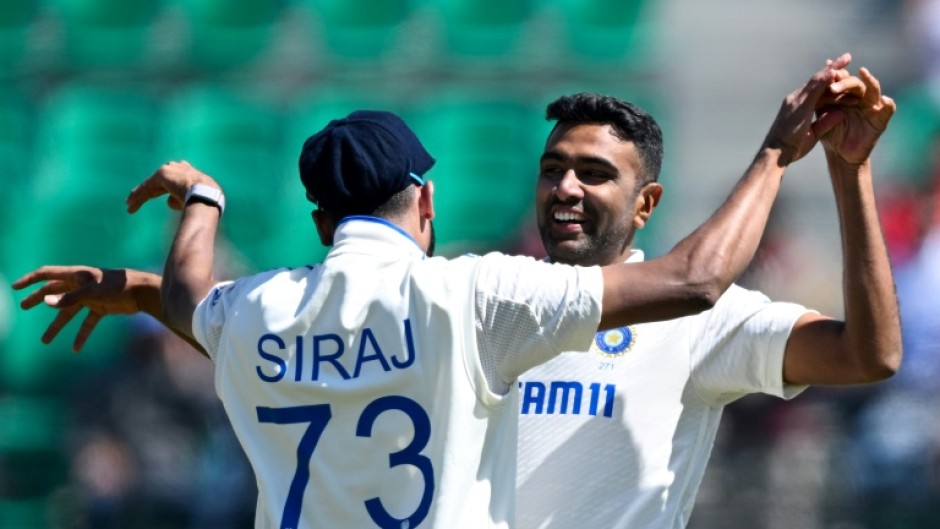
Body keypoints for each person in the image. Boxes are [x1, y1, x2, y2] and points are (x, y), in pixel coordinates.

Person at [14, 56, 862, 529]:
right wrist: (777, 153)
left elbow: (191, 296)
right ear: (424, 202)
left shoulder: (259, 310)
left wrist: (198, 204)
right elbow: (695, 278)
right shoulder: (470, 295)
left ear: (317, 219)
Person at [513, 63, 901, 528]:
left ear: (646, 204)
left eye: (594, 174)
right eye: (552, 169)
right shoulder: (490, 295)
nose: (566, 188)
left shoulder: (695, 320)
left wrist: (849, 169)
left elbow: (868, 356)